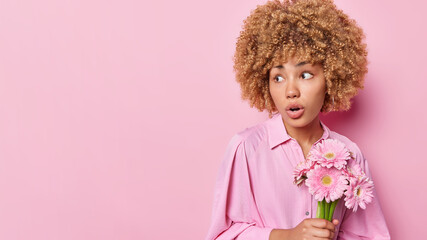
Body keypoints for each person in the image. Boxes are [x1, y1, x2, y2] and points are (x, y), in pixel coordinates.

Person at [205, 0, 390, 239]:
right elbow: (223, 235)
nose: (290, 91)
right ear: (264, 83)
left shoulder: (350, 154)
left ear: (331, 78)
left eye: (305, 75)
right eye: (278, 77)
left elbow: (370, 236)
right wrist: (287, 236)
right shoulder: (246, 149)